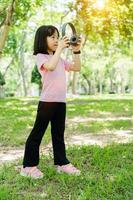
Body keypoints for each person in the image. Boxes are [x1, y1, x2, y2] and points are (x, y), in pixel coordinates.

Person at [20, 25, 81, 179]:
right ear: (42, 39)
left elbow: (77, 67)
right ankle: (28, 166)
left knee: (58, 134)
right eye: (52, 37)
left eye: (57, 36)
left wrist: (76, 51)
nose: (56, 40)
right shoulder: (41, 57)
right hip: (47, 102)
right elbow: (51, 67)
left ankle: (62, 163)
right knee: (37, 133)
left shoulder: (59, 59)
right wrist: (60, 48)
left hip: (61, 102)